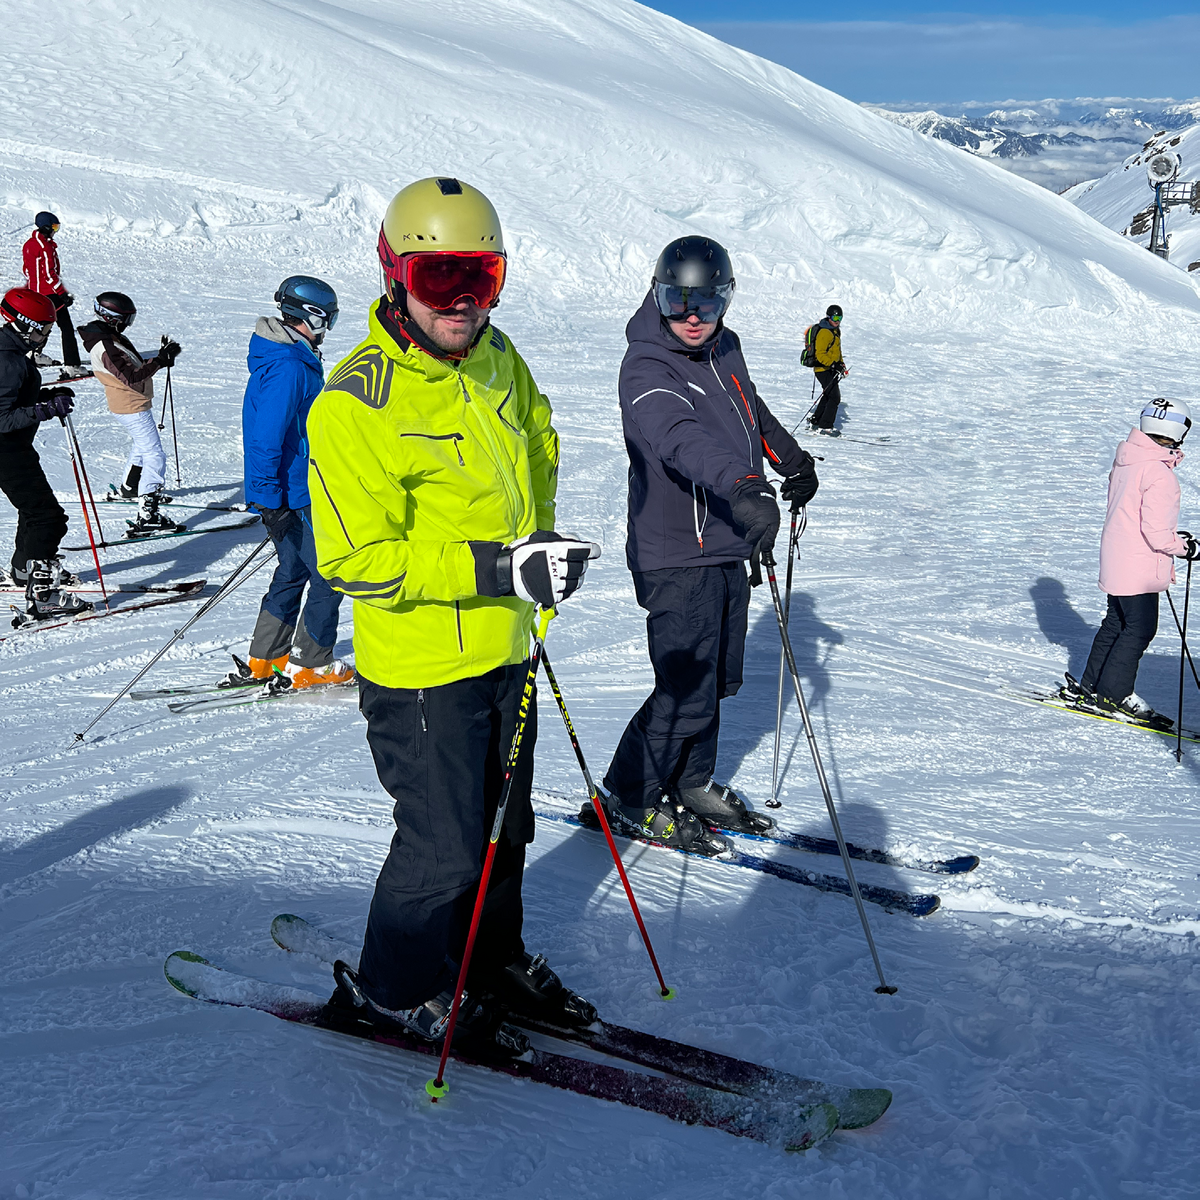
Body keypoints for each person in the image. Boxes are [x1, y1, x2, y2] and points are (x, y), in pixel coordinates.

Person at [306, 177, 600, 1054]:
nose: (465, 301)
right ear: (395, 276)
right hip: (425, 669)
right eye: (441, 280)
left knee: (508, 826)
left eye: (484, 275)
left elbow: (539, 436)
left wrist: (538, 544)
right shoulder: (356, 404)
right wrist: (499, 564)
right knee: (443, 848)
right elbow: (352, 560)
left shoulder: (497, 357)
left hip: (508, 645)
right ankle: (392, 991)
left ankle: (487, 959)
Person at [602, 236, 819, 852]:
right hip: (677, 551)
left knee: (718, 680)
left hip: (727, 541)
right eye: (678, 300)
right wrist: (746, 485)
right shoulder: (647, 366)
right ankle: (632, 795)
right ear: (657, 294)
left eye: (708, 301)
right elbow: (679, 436)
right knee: (683, 685)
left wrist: (791, 460)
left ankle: (690, 779)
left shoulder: (725, 346)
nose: (693, 316)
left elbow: (751, 412)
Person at [231, 276, 355, 691]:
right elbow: (264, 436)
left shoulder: (291, 358)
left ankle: (267, 659)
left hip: (291, 489)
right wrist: (270, 503)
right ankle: (312, 664)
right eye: (328, 320)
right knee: (330, 573)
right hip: (295, 492)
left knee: (293, 570)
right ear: (311, 317)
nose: (328, 330)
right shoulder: (287, 365)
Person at [1062, 398, 1199, 727]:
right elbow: (1156, 534)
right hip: (1139, 566)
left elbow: (1133, 511)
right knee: (1139, 628)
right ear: (1178, 431)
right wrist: (1186, 548)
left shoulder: (1129, 459)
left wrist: (1169, 534)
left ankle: (1092, 686)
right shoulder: (1160, 475)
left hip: (1118, 556)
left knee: (1116, 623)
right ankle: (1115, 694)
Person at [0, 287, 90, 618]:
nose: (44, 337)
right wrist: (44, 409)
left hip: (13, 447)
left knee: (33, 510)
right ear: (22, 324)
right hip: (7, 449)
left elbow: (13, 399)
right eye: (41, 329)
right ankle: (41, 595)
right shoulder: (7, 361)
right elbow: (2, 417)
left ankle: (23, 570)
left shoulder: (9, 353)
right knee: (48, 518)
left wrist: (46, 395)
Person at [77, 292, 183, 536]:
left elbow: (131, 364)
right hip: (129, 404)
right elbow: (132, 377)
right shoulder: (105, 345)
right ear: (112, 318)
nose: (128, 324)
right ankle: (148, 515)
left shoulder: (109, 337)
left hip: (131, 404)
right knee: (154, 454)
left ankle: (130, 488)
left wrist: (159, 356)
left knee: (142, 445)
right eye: (126, 319)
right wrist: (159, 362)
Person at [21, 212, 82, 371]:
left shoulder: (29, 244)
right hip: (49, 294)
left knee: (42, 324)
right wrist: (62, 293)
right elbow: (50, 274)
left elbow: (27, 270)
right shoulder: (45, 246)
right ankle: (72, 365)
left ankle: (34, 355)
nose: (56, 231)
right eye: (54, 227)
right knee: (66, 327)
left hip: (35, 293)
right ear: (46, 227)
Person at [807, 304, 847, 434]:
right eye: (835, 317)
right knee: (834, 397)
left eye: (839, 317)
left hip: (831, 368)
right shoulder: (825, 332)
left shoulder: (835, 331)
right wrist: (833, 364)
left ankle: (816, 420)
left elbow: (837, 351)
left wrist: (841, 364)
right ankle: (825, 426)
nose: (837, 320)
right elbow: (820, 354)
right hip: (822, 369)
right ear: (828, 317)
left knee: (828, 394)